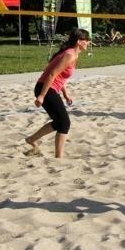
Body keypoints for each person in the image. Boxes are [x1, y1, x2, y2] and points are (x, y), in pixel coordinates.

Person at [24, 28, 91, 158]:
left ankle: (31, 139)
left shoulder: (71, 54)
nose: (89, 42)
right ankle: (58, 157)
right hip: (45, 88)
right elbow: (52, 74)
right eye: (87, 40)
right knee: (64, 123)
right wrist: (42, 96)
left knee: (60, 122)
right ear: (79, 41)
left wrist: (65, 94)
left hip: (49, 88)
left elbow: (61, 76)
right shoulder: (70, 55)